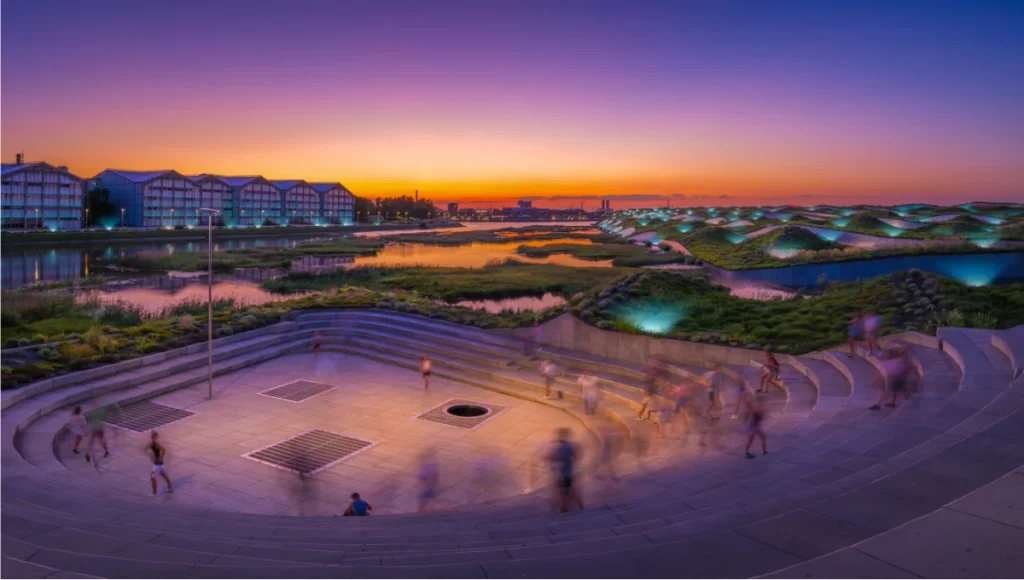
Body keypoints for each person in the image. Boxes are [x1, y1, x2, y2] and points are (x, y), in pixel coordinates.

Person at [548, 428, 583, 513]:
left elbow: (556, 458)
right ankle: (580, 505)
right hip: (569, 472)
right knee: (570, 489)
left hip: (564, 474)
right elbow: (575, 454)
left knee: (564, 492)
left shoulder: (561, 448)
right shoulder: (569, 446)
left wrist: (550, 457)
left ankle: (564, 509)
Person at [870, 345, 912, 410]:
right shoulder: (900, 359)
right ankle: (892, 402)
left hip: (893, 378)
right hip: (900, 378)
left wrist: (878, 378)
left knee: (882, 390)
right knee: (895, 389)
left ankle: (877, 404)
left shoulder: (889, 362)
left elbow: (887, 373)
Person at [743, 392, 768, 459]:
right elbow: (760, 414)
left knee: (763, 436)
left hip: (755, 426)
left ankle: (764, 451)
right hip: (752, 427)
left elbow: (762, 416)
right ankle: (746, 453)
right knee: (750, 440)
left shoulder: (756, 408)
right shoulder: (755, 408)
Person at [147, 432, 173, 496]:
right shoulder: (153, 443)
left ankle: (154, 493)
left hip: (157, 464)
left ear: (155, 437)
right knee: (163, 474)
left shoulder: (156, 444)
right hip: (158, 463)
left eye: (153, 436)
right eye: (151, 436)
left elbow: (163, 450)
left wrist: (160, 458)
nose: (151, 437)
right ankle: (170, 488)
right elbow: (149, 447)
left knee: (152, 477)